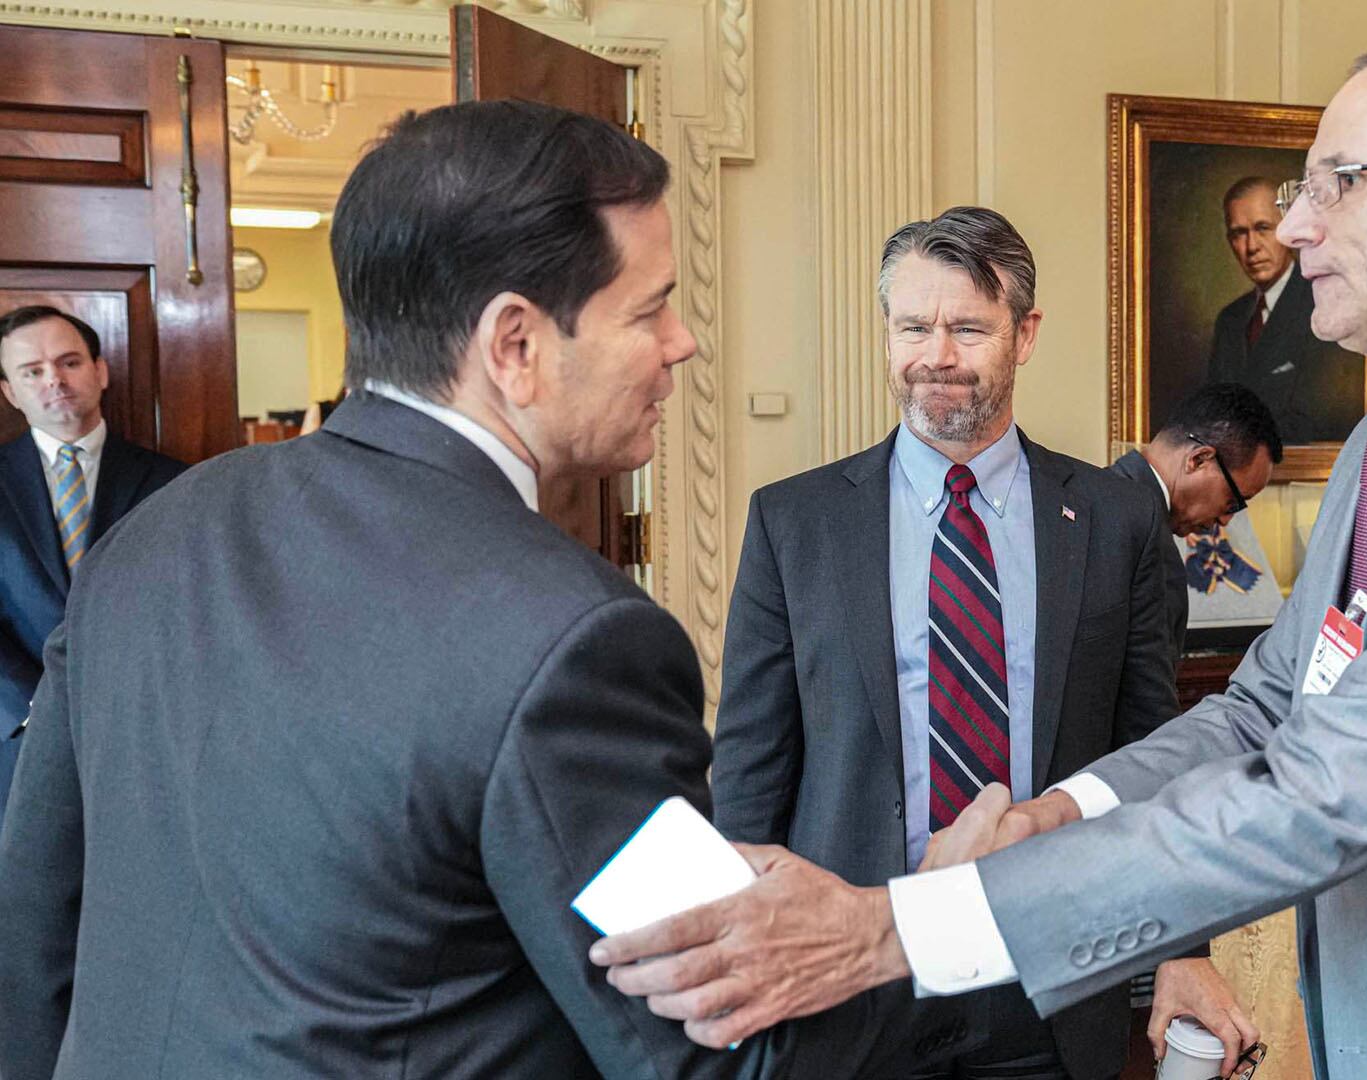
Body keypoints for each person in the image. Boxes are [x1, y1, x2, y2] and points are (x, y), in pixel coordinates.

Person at [592, 37, 1367, 1080]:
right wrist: (1062, 810)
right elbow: (1263, 714)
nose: (1297, 225)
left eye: (1339, 184)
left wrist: (891, 929)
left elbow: (1322, 791)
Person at [0, 100, 963, 1080]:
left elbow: (34, 922)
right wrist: (921, 918)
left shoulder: (149, 534)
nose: (682, 343)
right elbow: (719, 1059)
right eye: (651, 308)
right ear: (516, 347)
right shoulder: (573, 644)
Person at [710, 205, 1250, 1080]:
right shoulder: (795, 522)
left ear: (1025, 334)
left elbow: (1151, 754)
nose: (938, 357)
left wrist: (1183, 948)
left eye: (968, 328)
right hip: (850, 978)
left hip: (1054, 977)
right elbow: (750, 767)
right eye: (913, 326)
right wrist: (732, 950)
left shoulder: (1114, 522)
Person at [0, 306, 186, 831]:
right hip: (20, 743)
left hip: (145, 741)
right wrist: (36, 711)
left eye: (69, 362)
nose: (54, 380)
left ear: (100, 371)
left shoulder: (175, 482)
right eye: (31, 371)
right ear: (10, 391)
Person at [1109, 383, 1281, 656]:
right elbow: (1146, 690)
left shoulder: (1099, 499)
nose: (1226, 521)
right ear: (1199, 460)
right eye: (1233, 501)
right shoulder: (1142, 536)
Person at [1205, 176, 1367, 445]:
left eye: (1263, 228)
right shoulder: (1230, 320)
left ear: (1287, 228)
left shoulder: (1322, 306)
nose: (1252, 247)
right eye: (1238, 233)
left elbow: (1323, 419)